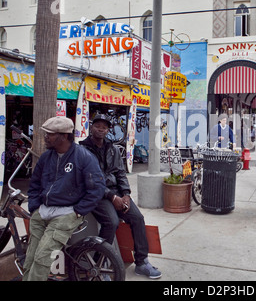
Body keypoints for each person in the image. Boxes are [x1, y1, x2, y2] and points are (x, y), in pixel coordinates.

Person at [80, 114, 162, 279]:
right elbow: (89, 180)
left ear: (108, 130)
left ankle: (141, 262)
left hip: (116, 192)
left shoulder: (113, 149)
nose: (101, 129)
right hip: (95, 194)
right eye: (98, 126)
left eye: (104, 127)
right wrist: (111, 197)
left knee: (137, 218)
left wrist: (125, 194)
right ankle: (99, 265)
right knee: (111, 222)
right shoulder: (82, 150)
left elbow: (120, 173)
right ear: (91, 127)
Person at [24, 116, 106, 281]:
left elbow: (97, 188)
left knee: (42, 259)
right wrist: (34, 207)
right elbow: (34, 185)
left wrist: (77, 212)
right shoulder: (47, 157)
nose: (46, 137)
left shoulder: (84, 157)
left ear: (65, 136)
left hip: (66, 213)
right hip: (42, 211)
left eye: (50, 134)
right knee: (30, 257)